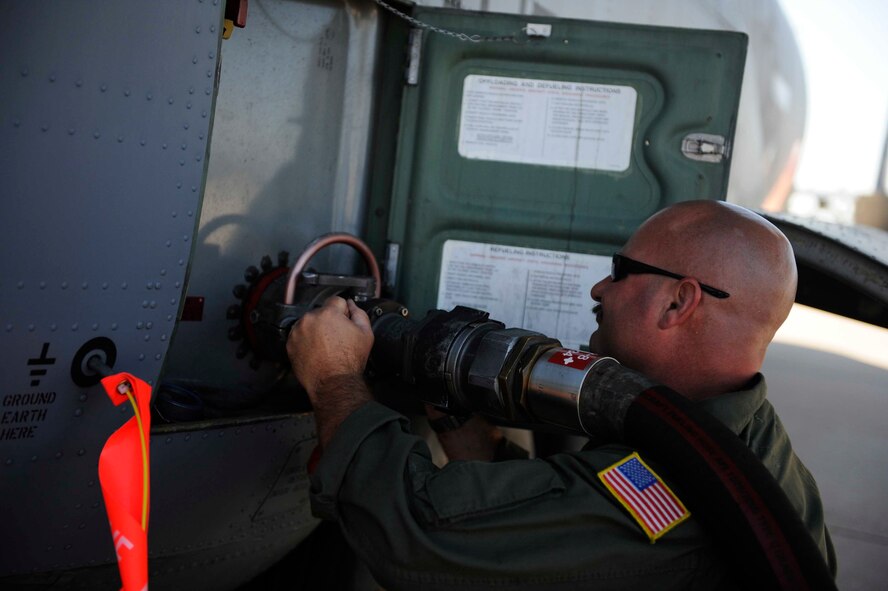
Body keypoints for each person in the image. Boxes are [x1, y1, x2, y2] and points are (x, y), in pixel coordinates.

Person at [287, 200, 837, 589]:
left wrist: (335, 376)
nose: (600, 288)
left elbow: (411, 534)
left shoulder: (671, 492)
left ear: (678, 303)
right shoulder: (760, 446)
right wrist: (466, 433)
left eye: (621, 272)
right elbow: (555, 526)